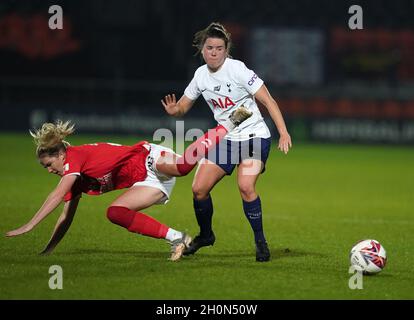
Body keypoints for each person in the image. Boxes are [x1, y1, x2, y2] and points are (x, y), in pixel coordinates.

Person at [6, 108, 252, 261]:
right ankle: (178, 238)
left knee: (183, 168)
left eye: (49, 164)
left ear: (61, 155)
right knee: (115, 213)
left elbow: (56, 196)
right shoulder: (73, 179)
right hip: (144, 182)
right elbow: (66, 216)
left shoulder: (74, 158)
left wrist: (29, 225)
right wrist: (48, 250)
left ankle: (228, 124)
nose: (49, 170)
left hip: (149, 158)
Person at [161, 22, 292, 262]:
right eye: (210, 47)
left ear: (226, 49)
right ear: (202, 49)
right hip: (226, 139)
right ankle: (206, 235)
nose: (214, 52)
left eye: (219, 48)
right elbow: (182, 106)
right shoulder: (200, 75)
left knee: (245, 186)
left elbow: (268, 100)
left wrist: (283, 132)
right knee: (199, 189)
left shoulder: (238, 69)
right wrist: (174, 110)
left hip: (254, 137)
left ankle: (260, 242)